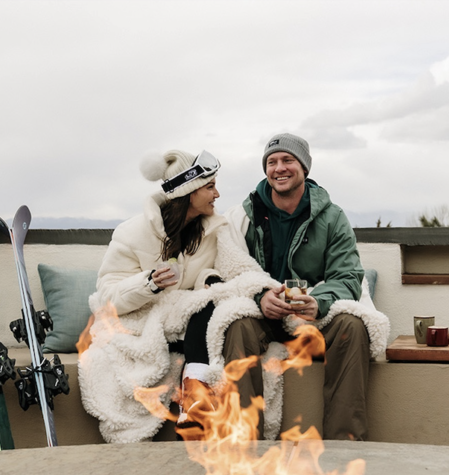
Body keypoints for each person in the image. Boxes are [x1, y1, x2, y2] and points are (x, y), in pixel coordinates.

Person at [79, 150, 275, 443]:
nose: (217, 194)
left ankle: (195, 405)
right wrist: (149, 284)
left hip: (194, 323)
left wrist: (211, 279)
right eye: (210, 187)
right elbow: (108, 297)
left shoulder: (216, 229)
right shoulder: (131, 233)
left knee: (212, 305)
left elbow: (239, 271)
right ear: (189, 192)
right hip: (145, 324)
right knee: (201, 307)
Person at [224, 133, 388, 441]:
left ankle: (345, 447)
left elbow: (348, 276)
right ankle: (243, 447)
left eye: (288, 160)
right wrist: (259, 296)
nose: (279, 168)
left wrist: (319, 302)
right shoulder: (244, 215)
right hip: (264, 317)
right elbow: (230, 269)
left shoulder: (332, 217)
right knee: (236, 327)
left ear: (304, 167)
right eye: (272, 162)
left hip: (312, 317)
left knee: (352, 326)